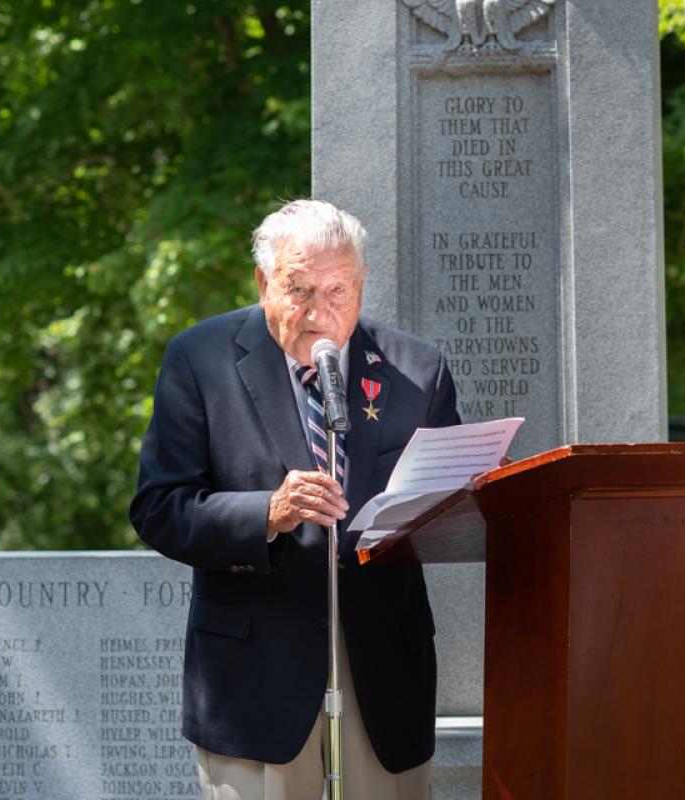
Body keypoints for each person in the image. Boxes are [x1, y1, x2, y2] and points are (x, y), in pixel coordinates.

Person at [130, 199, 459, 800]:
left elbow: (450, 511)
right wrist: (267, 514)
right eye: (299, 289)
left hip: (383, 674)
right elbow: (158, 509)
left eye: (338, 291)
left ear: (360, 286)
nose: (319, 314)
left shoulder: (418, 370)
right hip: (254, 684)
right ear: (264, 283)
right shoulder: (199, 360)